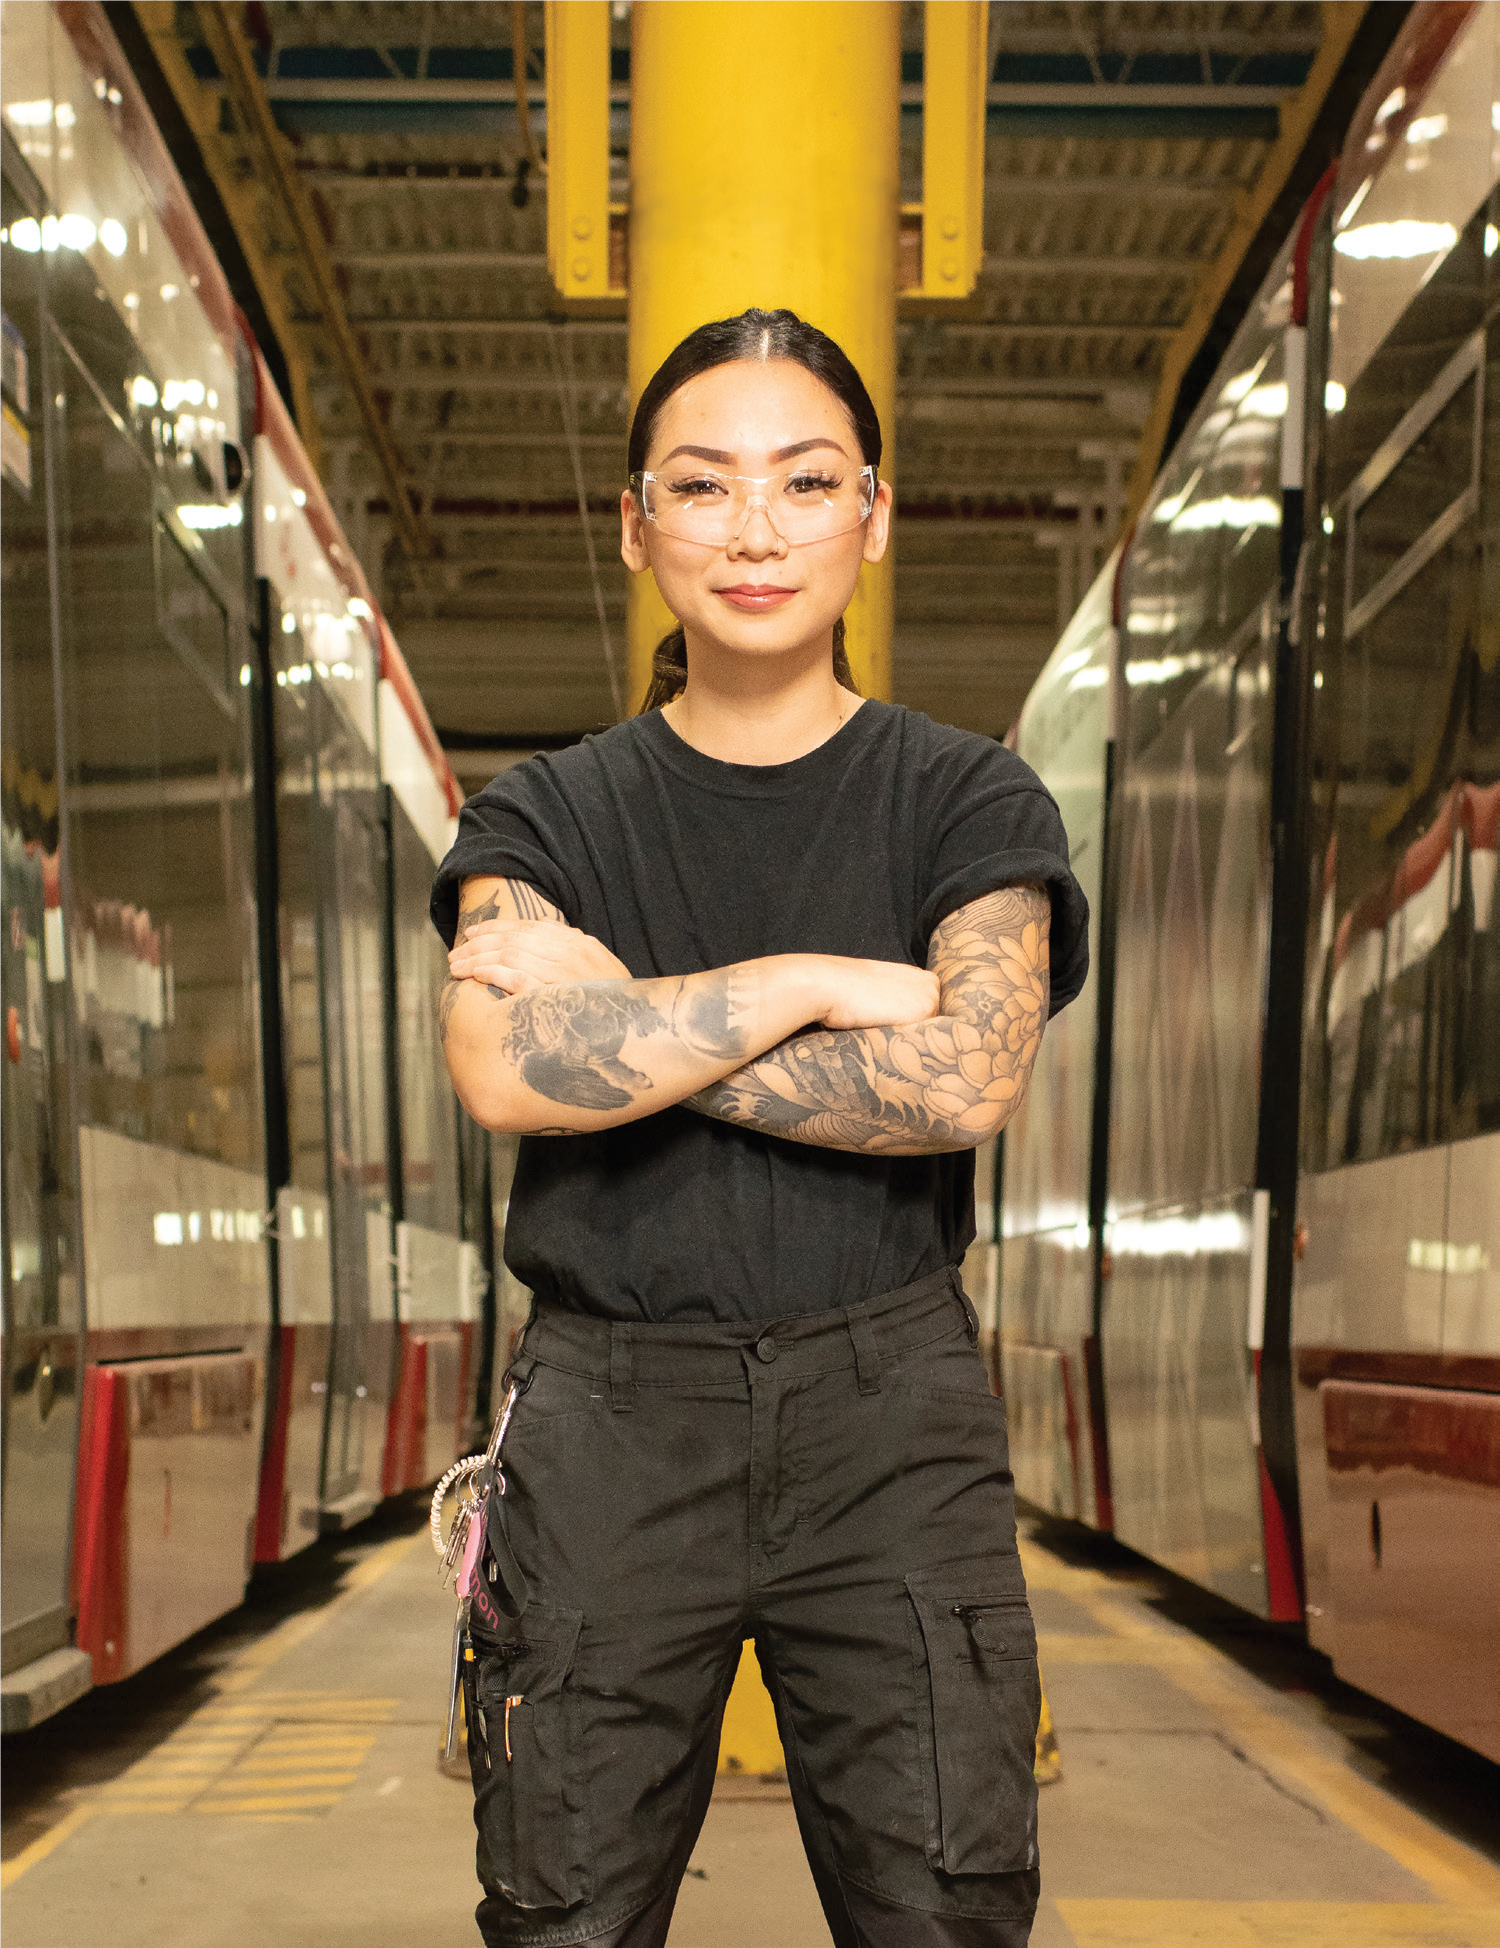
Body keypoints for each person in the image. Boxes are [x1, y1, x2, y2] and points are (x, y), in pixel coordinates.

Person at [432, 307, 1088, 1948]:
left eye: (805, 484)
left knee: (946, 1903)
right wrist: (811, 979)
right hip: (605, 1415)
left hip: (894, 1416)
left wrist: (630, 1009)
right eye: (704, 486)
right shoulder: (543, 810)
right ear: (637, 520)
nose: (755, 530)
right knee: (561, 1916)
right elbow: (506, 1072)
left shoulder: (970, 799)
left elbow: (962, 1083)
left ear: (873, 518)